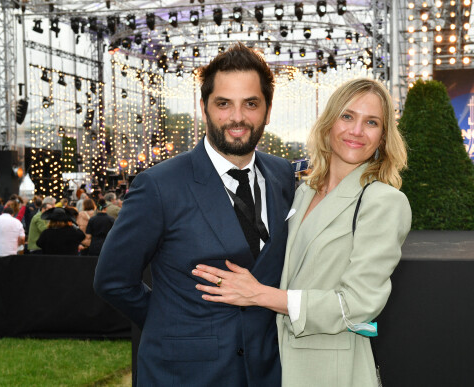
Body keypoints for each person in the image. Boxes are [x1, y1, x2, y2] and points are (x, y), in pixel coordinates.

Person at [94, 42, 296, 386]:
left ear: (267, 109)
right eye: (223, 104)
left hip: (268, 370)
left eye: (250, 104)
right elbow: (113, 280)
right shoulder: (159, 185)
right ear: (204, 107)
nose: (237, 118)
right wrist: (171, 322)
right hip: (183, 374)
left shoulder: (283, 176)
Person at [193, 78, 411, 387]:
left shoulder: (384, 202)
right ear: (328, 123)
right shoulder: (302, 191)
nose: (357, 131)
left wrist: (258, 294)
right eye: (347, 116)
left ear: (383, 136)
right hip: (274, 364)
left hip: (331, 371)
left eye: (371, 122)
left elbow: (358, 304)